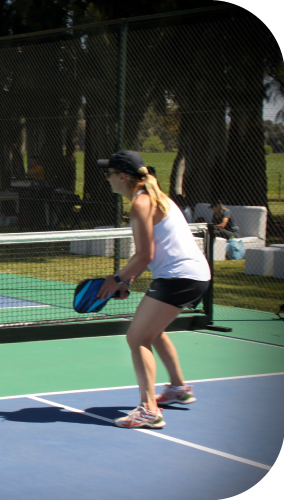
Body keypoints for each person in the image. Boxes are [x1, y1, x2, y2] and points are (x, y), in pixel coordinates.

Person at [97, 150, 210, 429]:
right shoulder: (156, 198)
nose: (107, 179)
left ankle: (149, 410)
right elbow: (155, 250)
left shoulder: (140, 204)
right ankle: (178, 388)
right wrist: (128, 279)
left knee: (137, 338)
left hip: (179, 278)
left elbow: (145, 255)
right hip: (194, 275)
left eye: (109, 174)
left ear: (122, 177)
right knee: (153, 331)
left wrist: (116, 278)